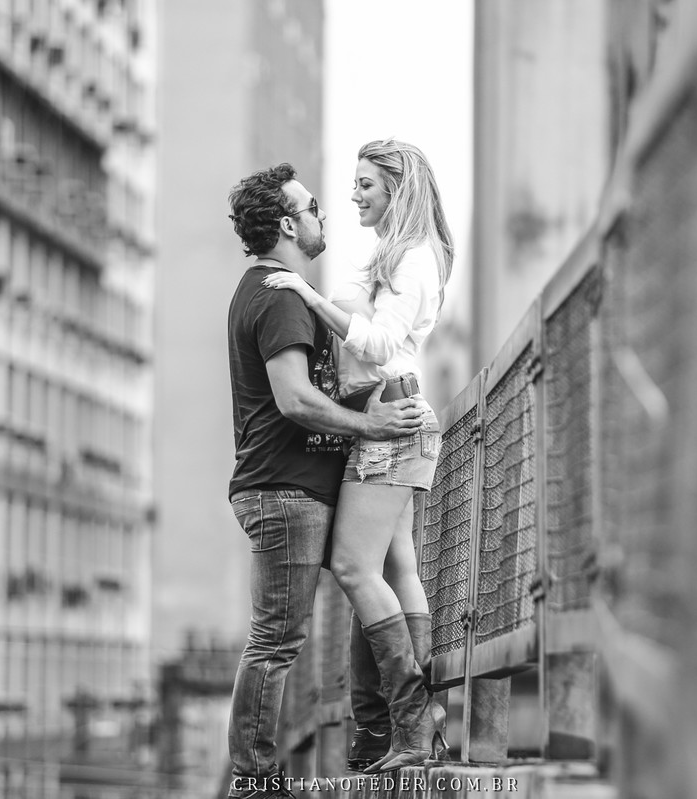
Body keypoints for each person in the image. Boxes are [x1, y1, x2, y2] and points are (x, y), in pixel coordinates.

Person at [224, 162, 425, 799]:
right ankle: (255, 780)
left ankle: (387, 733)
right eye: (311, 207)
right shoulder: (279, 297)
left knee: (370, 576)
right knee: (276, 639)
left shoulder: (275, 291)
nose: (323, 215)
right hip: (283, 490)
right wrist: (374, 426)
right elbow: (294, 399)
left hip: (292, 486)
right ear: (288, 225)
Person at [262, 139, 454, 773]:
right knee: (396, 566)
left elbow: (377, 342)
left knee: (351, 564)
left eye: (366, 184)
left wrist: (309, 296)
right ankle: (392, 731)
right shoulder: (394, 254)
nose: (354, 196)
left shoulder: (414, 258)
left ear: (397, 187)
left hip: (390, 420)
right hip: (390, 416)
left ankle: (411, 723)